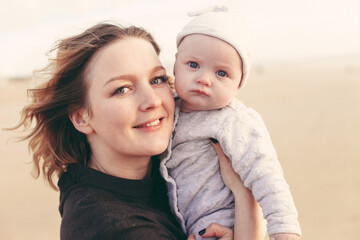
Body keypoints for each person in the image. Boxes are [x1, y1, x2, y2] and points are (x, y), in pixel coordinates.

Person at [11, 22, 262, 239]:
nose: (152, 100)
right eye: (122, 89)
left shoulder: (166, 170)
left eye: (157, 80)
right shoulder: (112, 226)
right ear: (81, 117)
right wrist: (245, 195)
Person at [159, 9, 302, 240]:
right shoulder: (166, 108)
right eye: (193, 64)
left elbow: (266, 173)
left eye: (221, 73)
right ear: (175, 65)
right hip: (180, 224)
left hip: (223, 223)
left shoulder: (234, 121)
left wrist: (284, 229)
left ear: (238, 85)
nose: (204, 79)